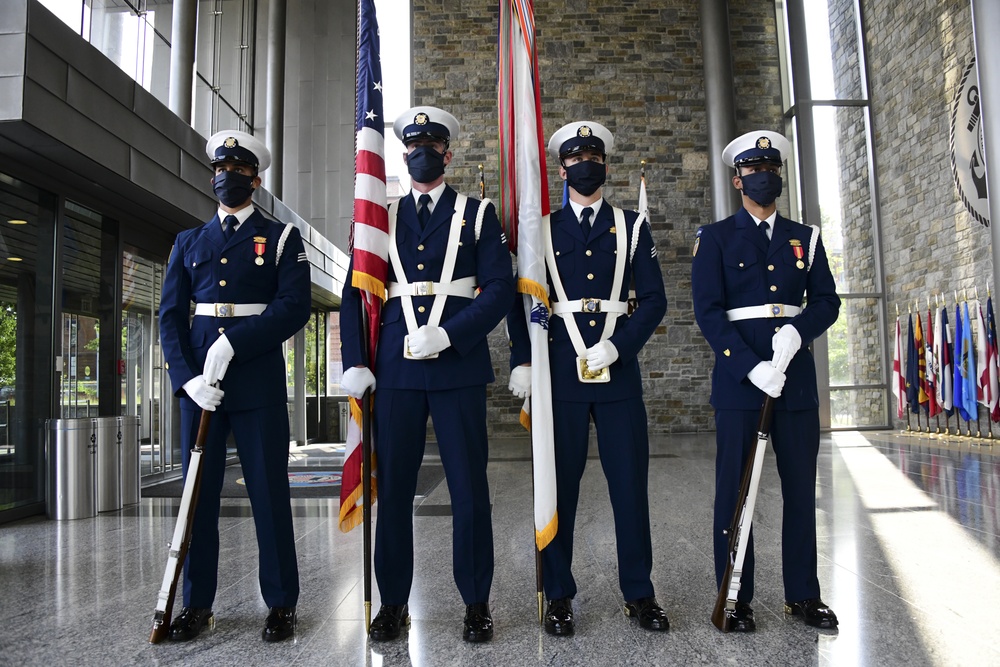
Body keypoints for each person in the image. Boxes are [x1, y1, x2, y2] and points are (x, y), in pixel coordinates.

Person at [339, 106, 515, 643]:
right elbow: (356, 292)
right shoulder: (379, 218)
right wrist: (355, 361)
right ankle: (393, 602)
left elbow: (500, 289)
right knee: (393, 490)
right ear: (402, 153)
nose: (422, 153)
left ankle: (476, 601)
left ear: (447, 154)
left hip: (457, 364)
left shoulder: (478, 214)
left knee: (468, 490)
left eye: (432, 146)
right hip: (394, 368)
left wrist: (452, 334)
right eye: (413, 145)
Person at [507, 121, 669, 636]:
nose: (586, 164)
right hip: (561, 376)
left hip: (617, 375)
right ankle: (558, 595)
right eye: (576, 158)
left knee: (629, 490)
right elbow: (524, 298)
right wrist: (524, 361)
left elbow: (656, 300)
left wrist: (619, 346)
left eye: (594, 156)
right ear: (561, 169)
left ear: (606, 165)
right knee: (561, 491)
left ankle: (639, 593)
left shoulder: (632, 227)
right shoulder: (542, 228)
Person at [159, 130, 311, 643]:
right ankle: (197, 604)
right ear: (212, 177)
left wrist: (236, 343)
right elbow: (170, 318)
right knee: (196, 499)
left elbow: (294, 306)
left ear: (256, 179)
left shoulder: (283, 238)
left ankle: (281, 604)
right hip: (202, 386)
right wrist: (187, 379)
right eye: (222, 170)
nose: (229, 177)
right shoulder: (187, 242)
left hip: (257, 382)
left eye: (240, 170)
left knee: (269, 494)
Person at [691, 130, 841, 632]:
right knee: (735, 494)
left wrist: (799, 331)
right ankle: (735, 595)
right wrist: (748, 365)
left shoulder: (807, 237)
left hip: (795, 384)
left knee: (801, 491)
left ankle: (803, 595)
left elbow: (827, 301)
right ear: (738, 180)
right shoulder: (715, 238)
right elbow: (708, 313)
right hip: (740, 384)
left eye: (772, 169)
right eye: (754, 170)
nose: (764, 177)